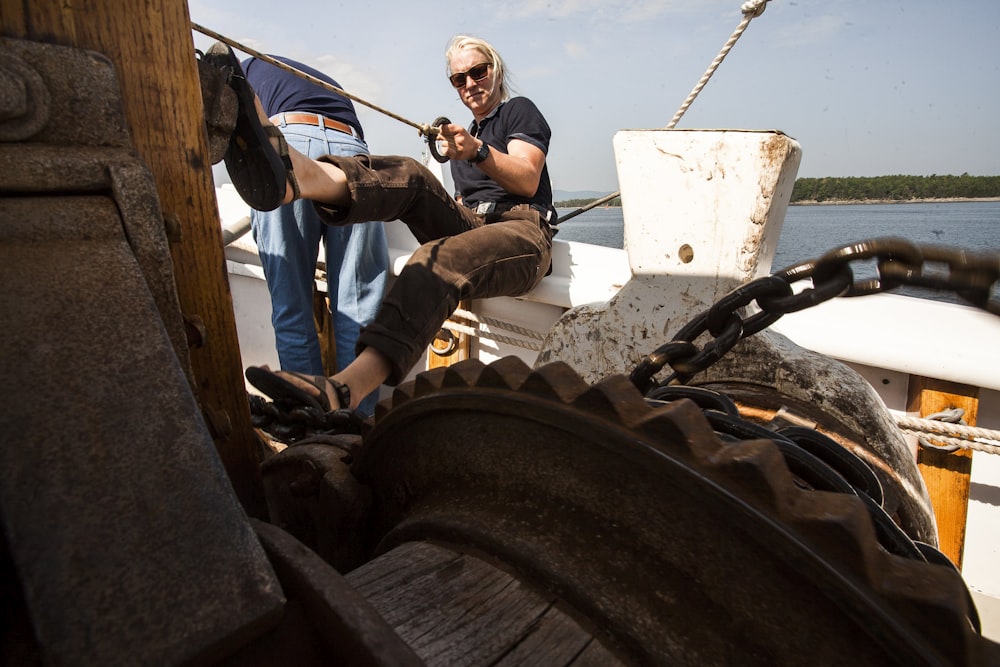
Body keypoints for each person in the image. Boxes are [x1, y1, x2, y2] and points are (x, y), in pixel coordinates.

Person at [206, 35, 557, 414]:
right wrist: (461, 169)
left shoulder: (518, 111)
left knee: (439, 258)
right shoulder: (462, 142)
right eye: (460, 79)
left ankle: (345, 389)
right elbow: (464, 203)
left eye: (478, 72)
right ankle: (301, 177)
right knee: (414, 175)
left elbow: (526, 179)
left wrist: (478, 151)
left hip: (522, 227)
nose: (470, 84)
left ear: (496, 70)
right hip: (477, 223)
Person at [240, 55, 388, 417]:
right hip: (355, 156)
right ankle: (356, 428)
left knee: (292, 304)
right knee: (359, 308)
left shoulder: (242, 70)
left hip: (289, 143)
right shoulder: (325, 85)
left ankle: (307, 429)